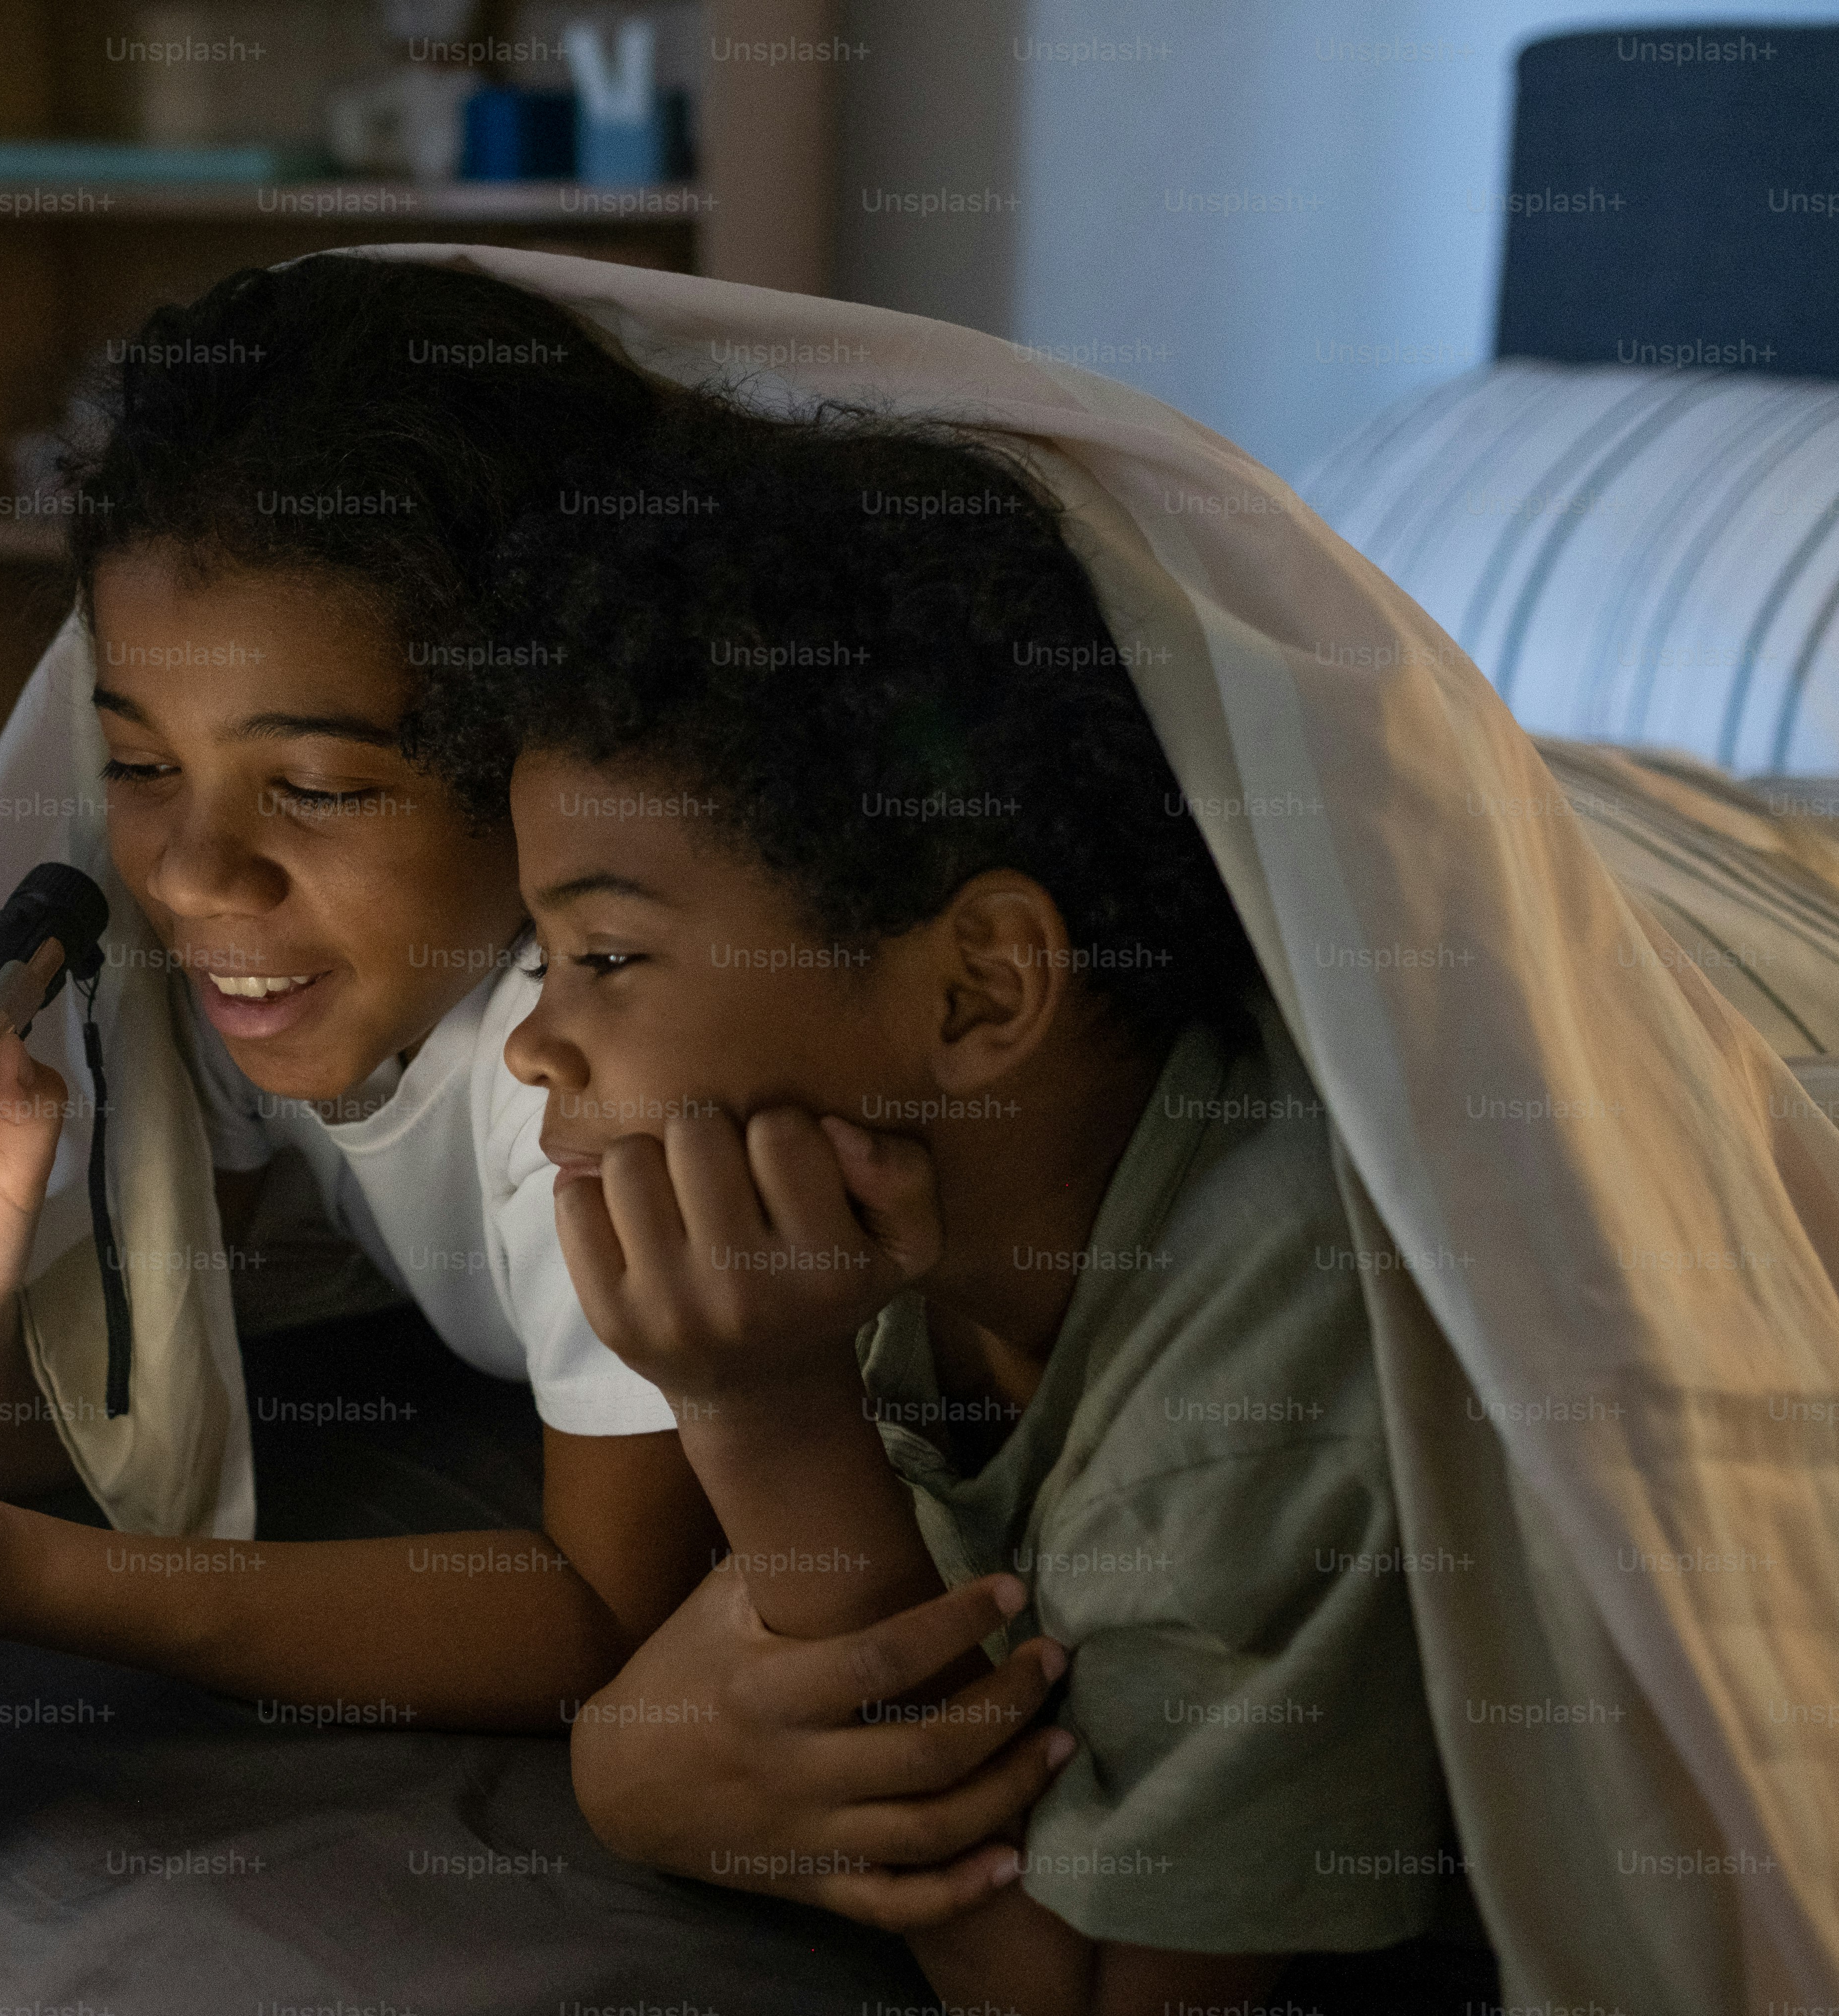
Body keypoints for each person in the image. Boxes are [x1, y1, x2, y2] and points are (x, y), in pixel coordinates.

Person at [0, 257, 1068, 1824]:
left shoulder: (593, 1065)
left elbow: (596, 1611)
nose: (192, 875)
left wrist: (9, 1580)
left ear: (541, 764)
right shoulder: (239, 976)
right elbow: (76, 1448)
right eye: (138, 763)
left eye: (316, 784)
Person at [404, 395, 1477, 2009]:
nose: (534, 1044)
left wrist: (766, 1427)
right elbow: (667, 1730)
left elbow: (1064, 1997)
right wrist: (632, 1774)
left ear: (979, 990)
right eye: (541, 960)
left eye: (607, 958)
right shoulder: (905, 1196)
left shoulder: (1267, 1365)